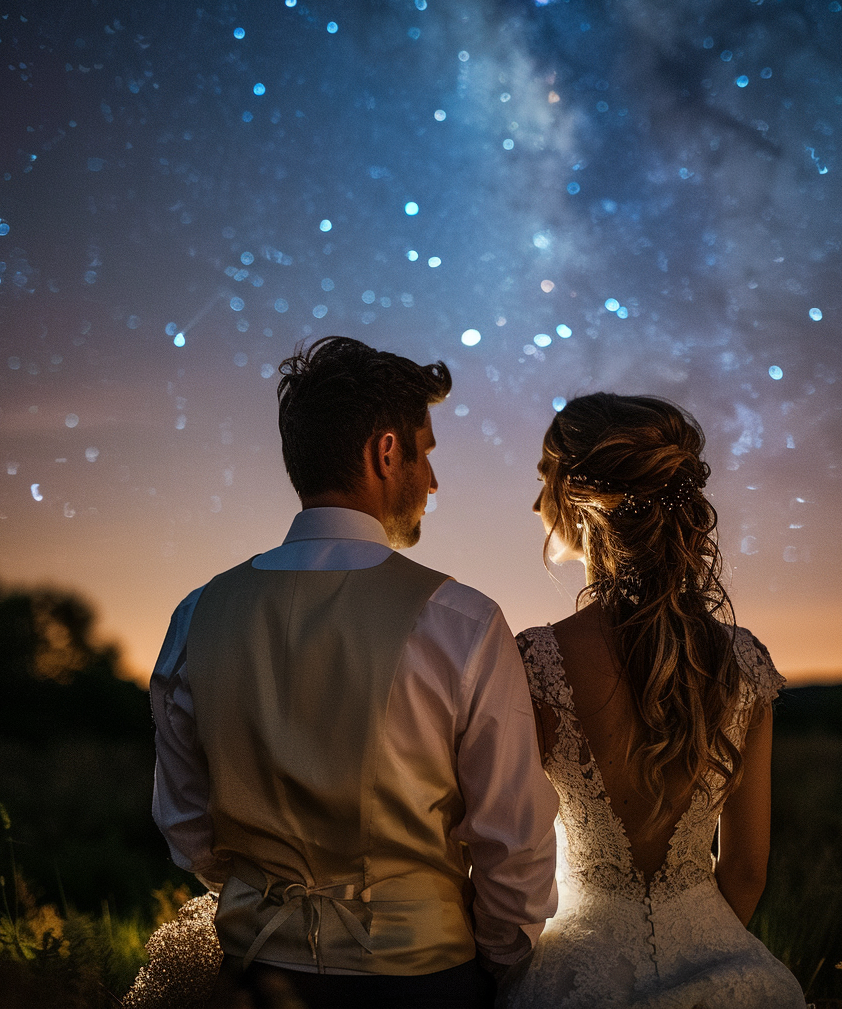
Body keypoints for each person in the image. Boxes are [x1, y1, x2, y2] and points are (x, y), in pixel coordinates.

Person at [133, 336, 558, 1009]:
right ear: (387, 452)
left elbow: (187, 824)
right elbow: (514, 841)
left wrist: (262, 900)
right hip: (423, 982)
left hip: (255, 975)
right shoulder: (461, 620)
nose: (434, 482)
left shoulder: (197, 616)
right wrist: (495, 964)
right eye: (428, 452)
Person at [499, 393, 807, 1009]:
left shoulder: (536, 660)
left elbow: (508, 851)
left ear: (583, 500)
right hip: (723, 964)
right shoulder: (744, 662)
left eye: (545, 481)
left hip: (577, 974)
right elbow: (746, 871)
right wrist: (702, 947)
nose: (537, 505)